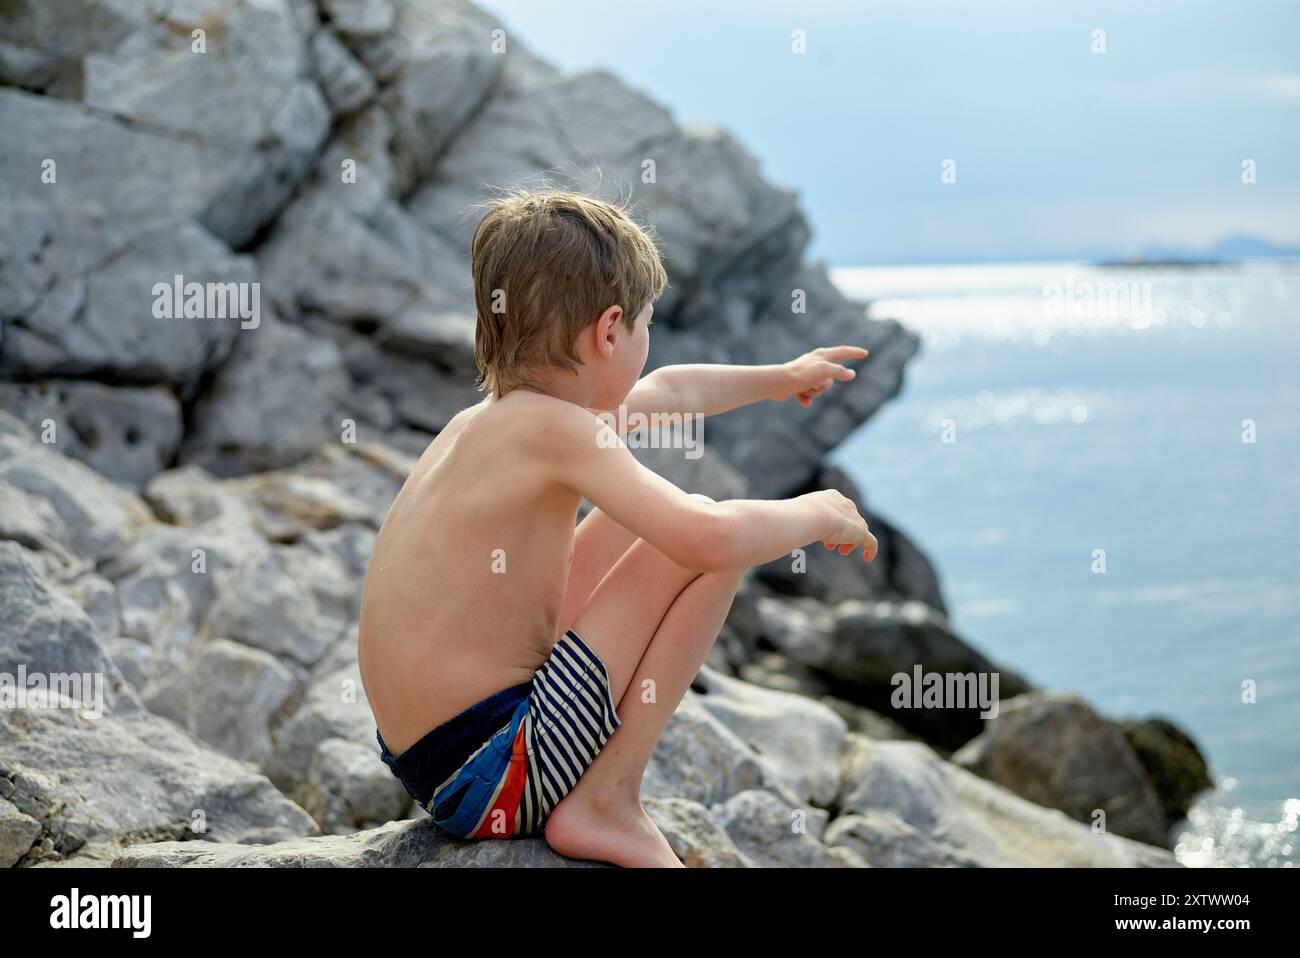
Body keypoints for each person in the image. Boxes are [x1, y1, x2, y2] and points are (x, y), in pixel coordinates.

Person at [358, 187, 878, 868]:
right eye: (645, 323)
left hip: (435, 759)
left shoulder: (493, 421)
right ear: (610, 330)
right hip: (495, 771)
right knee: (704, 537)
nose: (645, 342)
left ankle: (596, 793)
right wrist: (819, 511)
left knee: (662, 521)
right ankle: (607, 799)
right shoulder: (559, 432)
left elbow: (670, 393)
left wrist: (781, 378)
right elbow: (706, 541)